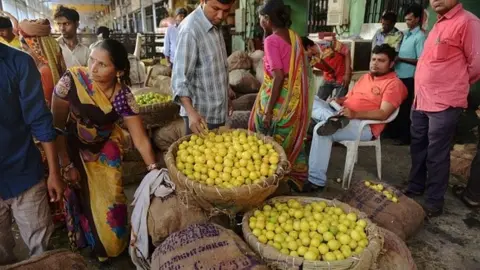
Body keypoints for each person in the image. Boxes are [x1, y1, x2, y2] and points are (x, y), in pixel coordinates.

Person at [51, 39, 157, 262]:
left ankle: (110, 246)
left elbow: (140, 139)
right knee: (82, 198)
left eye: (102, 64)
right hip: (72, 147)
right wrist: (65, 164)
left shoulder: (123, 97)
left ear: (118, 71)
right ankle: (88, 242)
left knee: (112, 203)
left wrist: (154, 170)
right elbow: (56, 126)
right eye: (91, 60)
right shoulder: (71, 81)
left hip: (105, 149)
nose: (93, 68)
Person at [404, 0, 480, 218]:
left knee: (437, 153)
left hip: (444, 103)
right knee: (418, 146)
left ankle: (433, 202)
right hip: (421, 100)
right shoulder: (437, 24)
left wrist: (453, 85)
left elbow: (476, 65)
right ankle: (415, 186)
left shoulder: (468, 22)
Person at [305, 44, 407, 192]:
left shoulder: (394, 85)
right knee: (309, 99)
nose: (375, 63)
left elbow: (383, 113)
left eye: (381, 60)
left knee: (320, 131)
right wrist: (340, 101)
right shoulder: (366, 77)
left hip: (364, 126)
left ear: (391, 64)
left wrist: (354, 114)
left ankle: (316, 181)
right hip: (344, 113)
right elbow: (350, 98)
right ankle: (331, 119)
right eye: (373, 59)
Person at [0, 43, 65, 265]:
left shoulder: (18, 62)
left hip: (23, 172)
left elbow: (39, 118)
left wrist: (54, 172)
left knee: (41, 249)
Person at [249, 0, 313, 192]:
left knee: (262, 133)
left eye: (261, 17)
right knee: (291, 136)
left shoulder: (271, 41)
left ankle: (270, 179)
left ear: (267, 19)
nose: (259, 20)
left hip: (277, 100)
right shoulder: (293, 37)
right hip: (293, 101)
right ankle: (295, 176)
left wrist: (268, 112)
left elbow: (278, 75)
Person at [172, 0, 235, 135]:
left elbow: (214, 68)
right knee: (202, 155)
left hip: (218, 112)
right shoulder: (190, 29)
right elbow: (180, 79)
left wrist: (226, 94)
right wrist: (191, 113)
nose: (220, 16)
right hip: (200, 118)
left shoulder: (214, 24)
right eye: (215, 8)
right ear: (203, 1)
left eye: (226, 11)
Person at [389, 3, 426, 145]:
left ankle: (405, 137)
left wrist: (401, 59)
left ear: (417, 19)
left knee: (405, 109)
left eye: (410, 20)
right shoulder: (404, 35)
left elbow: (420, 60)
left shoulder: (420, 37)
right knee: (395, 106)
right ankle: (394, 133)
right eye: (406, 19)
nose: (407, 22)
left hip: (409, 78)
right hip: (398, 75)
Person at [19, 19, 67, 107]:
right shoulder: (48, 68)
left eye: (25, 49)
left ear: (37, 50)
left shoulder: (44, 72)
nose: (23, 54)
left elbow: (41, 104)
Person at [302, 35, 352, 100]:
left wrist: (347, 74)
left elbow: (347, 51)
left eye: (303, 52)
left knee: (338, 104)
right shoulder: (312, 59)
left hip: (343, 77)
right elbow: (328, 69)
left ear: (308, 47)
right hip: (328, 78)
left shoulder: (328, 43)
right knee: (319, 100)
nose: (302, 55)